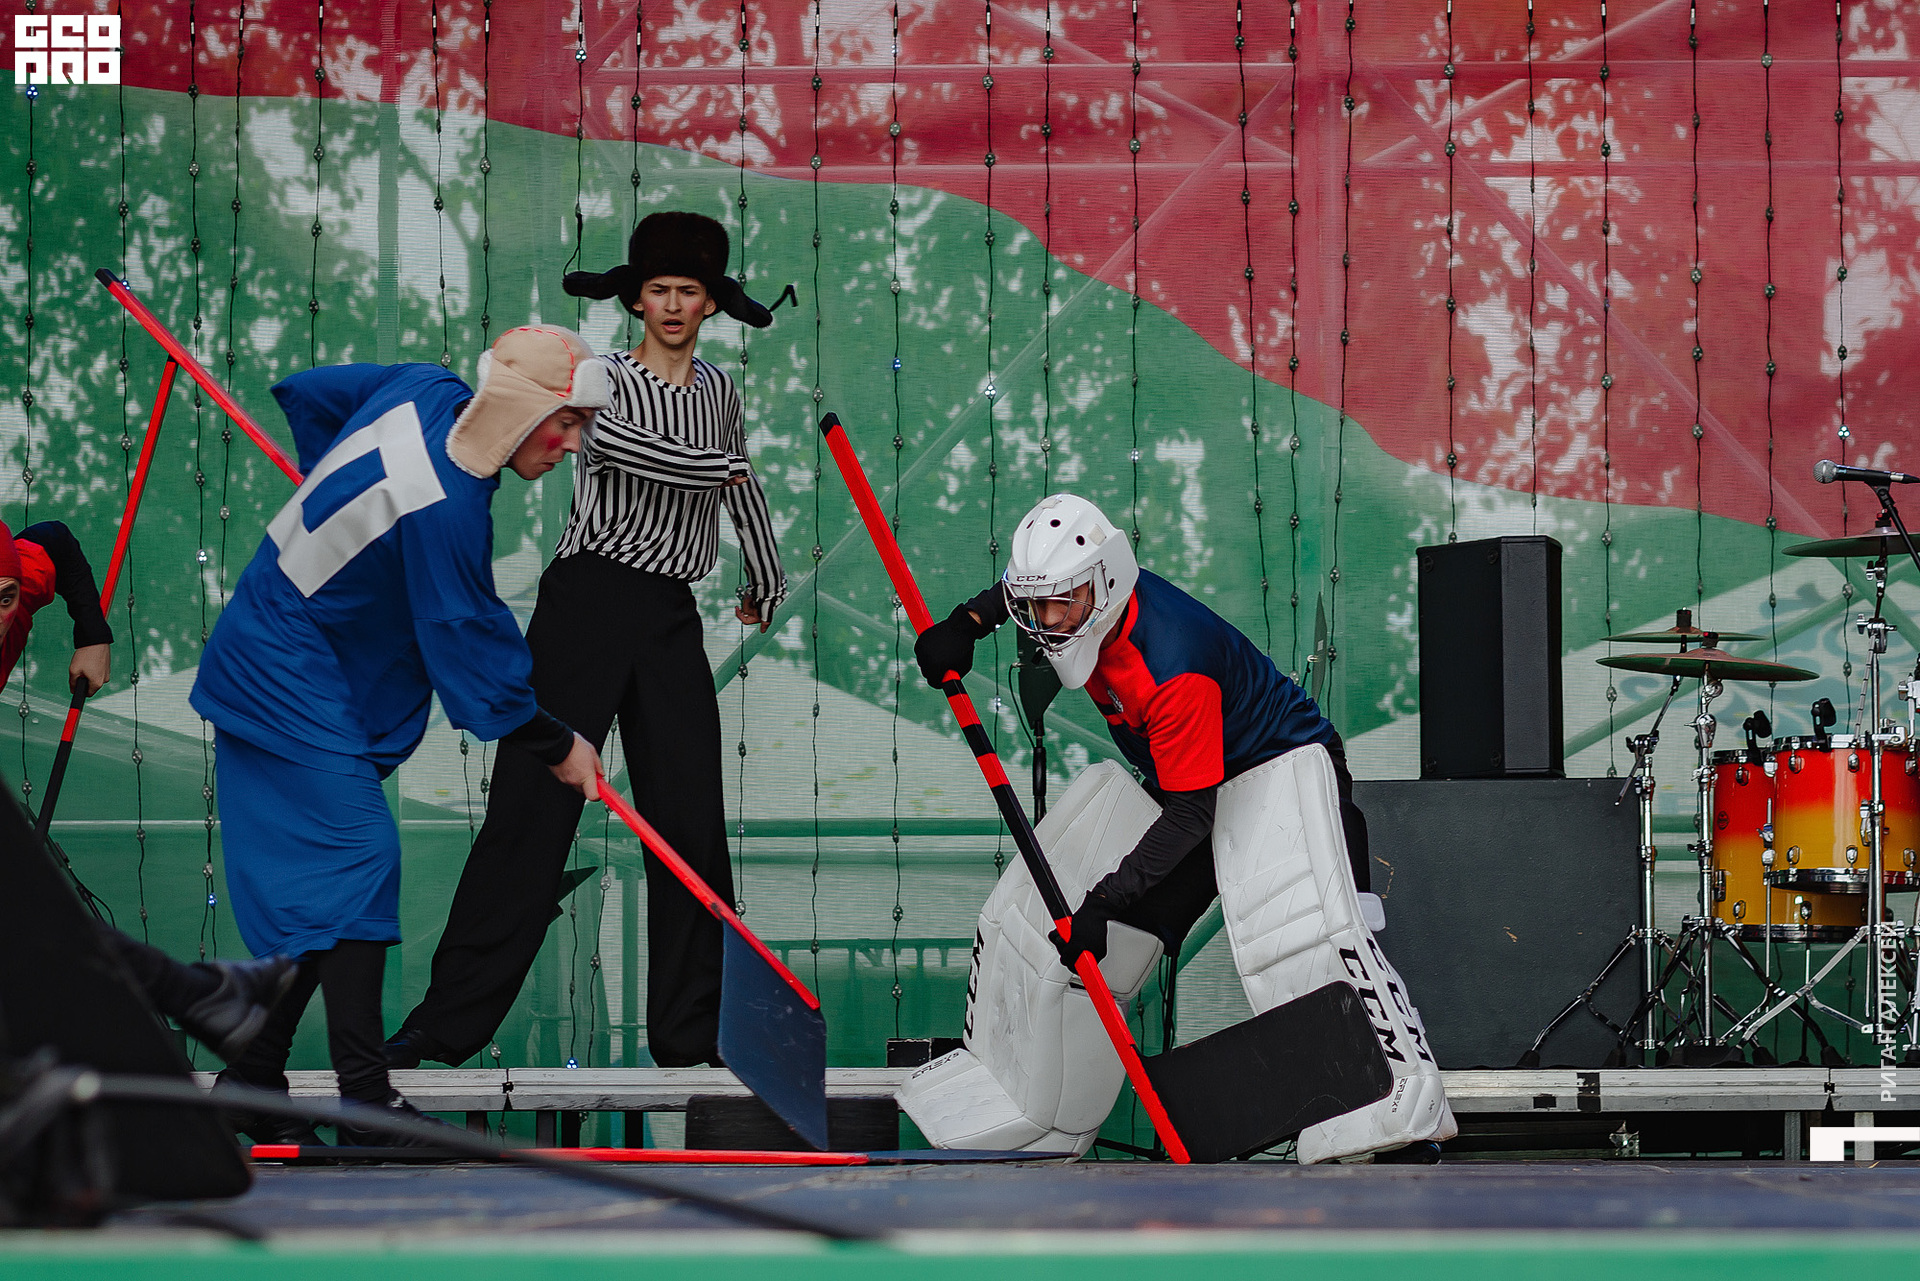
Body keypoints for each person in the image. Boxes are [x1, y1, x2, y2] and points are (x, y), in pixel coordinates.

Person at [900, 493, 1453, 1162]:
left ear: (1104, 585)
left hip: (1275, 772)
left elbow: (1193, 814)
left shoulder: (1172, 666)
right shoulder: (1080, 603)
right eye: (1035, 606)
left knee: (1304, 942)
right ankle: (1041, 1113)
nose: (1045, 624)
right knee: (1084, 943)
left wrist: (1106, 898)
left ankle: (1396, 1111)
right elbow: (1028, 590)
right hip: (1191, 782)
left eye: (1060, 605)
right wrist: (969, 621)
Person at [389, 210, 786, 1072]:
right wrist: (721, 466)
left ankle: (691, 1032)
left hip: (670, 611)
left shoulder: (720, 391)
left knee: (689, 821)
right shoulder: (601, 377)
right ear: (635, 299)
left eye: (688, 291)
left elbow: (741, 482)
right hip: (587, 599)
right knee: (530, 812)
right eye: (658, 290)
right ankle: (445, 1025)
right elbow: (648, 457)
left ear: (710, 303)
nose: (672, 305)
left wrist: (765, 571)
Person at [191, 327, 606, 1144]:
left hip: (297, 649)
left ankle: (252, 1080)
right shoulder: (447, 507)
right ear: (519, 407)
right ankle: (365, 1100)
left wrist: (338, 495)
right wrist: (558, 743)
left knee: (332, 891)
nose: (571, 445)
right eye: (566, 422)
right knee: (362, 857)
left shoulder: (424, 386)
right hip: (283, 663)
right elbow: (467, 639)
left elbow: (317, 392)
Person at [0, 516, 295, 1063]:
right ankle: (199, 996)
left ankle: (199, 997)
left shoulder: (22, 575)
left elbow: (53, 540)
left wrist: (93, 634)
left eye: (4, 598)